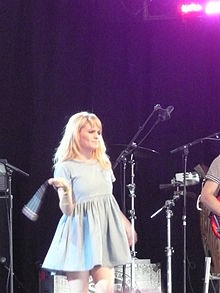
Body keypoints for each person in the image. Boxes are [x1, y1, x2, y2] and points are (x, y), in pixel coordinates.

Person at [42, 111, 137, 293]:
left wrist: (126, 224)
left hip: (104, 230)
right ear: (77, 134)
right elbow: (67, 211)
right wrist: (67, 191)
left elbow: (108, 200)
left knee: (106, 289)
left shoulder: (103, 162)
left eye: (99, 132)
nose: (97, 136)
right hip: (79, 232)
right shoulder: (64, 166)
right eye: (91, 132)